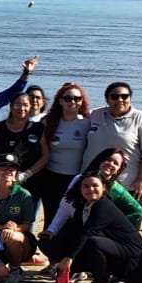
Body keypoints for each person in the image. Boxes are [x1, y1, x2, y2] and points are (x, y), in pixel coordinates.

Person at [49, 174, 142, 283]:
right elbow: (75, 232)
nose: (90, 189)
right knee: (58, 241)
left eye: (95, 185)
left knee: (92, 242)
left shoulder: (104, 205)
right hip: (112, 249)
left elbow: (87, 232)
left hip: (132, 256)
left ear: (104, 188)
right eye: (86, 186)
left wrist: (69, 258)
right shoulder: (83, 205)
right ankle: (73, 273)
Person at [41, 148, 142, 242]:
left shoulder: (116, 190)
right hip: (78, 225)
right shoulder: (80, 179)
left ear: (119, 169)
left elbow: (137, 211)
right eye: (108, 160)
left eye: (115, 163)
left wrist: (114, 227)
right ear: (100, 160)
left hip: (99, 233)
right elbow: (65, 206)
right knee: (48, 242)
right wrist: (52, 230)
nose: (110, 164)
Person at [83, 81, 142, 203]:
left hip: (128, 187)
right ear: (107, 100)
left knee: (126, 222)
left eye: (124, 96)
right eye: (115, 97)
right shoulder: (95, 114)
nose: (120, 100)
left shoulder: (141, 118)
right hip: (95, 184)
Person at [35, 83, 92, 230]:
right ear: (60, 101)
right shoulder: (48, 121)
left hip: (76, 178)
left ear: (82, 101)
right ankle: (51, 250)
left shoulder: (87, 123)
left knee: (72, 219)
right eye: (68, 98)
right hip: (50, 177)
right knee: (52, 217)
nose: (72, 102)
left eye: (77, 98)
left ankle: (69, 252)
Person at [0, 154, 40, 283]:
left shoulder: (24, 195)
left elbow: (27, 225)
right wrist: (2, 228)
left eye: (11, 169)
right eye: (3, 168)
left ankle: (15, 270)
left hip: (20, 241)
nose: (7, 172)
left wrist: (14, 228)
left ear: (16, 172)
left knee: (12, 236)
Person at [0, 89, 46, 186]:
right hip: (3, 179)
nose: (22, 108)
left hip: (30, 179)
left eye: (25, 105)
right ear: (11, 106)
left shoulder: (38, 128)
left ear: (30, 107)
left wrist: (27, 174)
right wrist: (5, 173)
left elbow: (45, 156)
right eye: (17, 105)